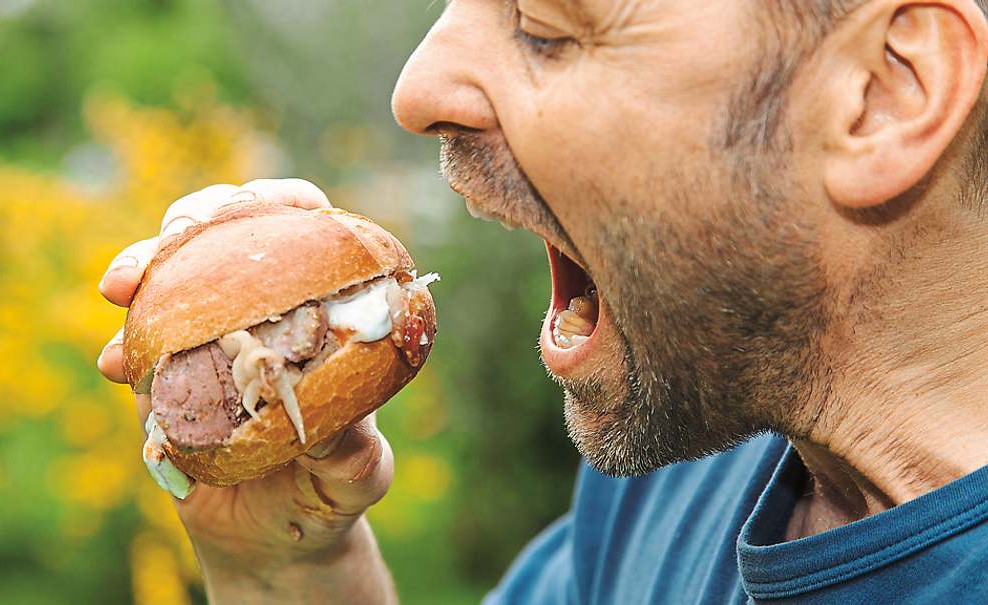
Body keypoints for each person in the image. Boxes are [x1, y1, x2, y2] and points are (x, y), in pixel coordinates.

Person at [96, 0, 988, 602]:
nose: (416, 92)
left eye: (543, 26)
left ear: (885, 93)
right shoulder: (683, 464)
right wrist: (284, 568)